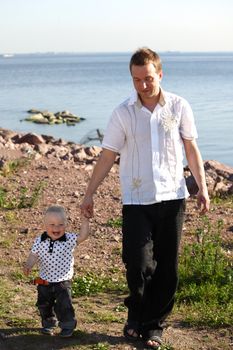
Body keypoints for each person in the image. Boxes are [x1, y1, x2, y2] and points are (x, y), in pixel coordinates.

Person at [80, 48, 210, 349]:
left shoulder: (179, 106)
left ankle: (154, 325)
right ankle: (136, 314)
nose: (142, 86)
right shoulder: (122, 112)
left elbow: (191, 149)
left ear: (160, 74)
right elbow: (107, 155)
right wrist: (89, 193)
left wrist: (202, 188)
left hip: (172, 197)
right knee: (137, 263)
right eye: (136, 80)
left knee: (168, 267)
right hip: (136, 200)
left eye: (148, 79)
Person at [23, 205, 90, 338]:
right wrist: (29, 264)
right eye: (52, 224)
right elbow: (33, 255)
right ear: (45, 225)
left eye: (60, 224)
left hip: (62, 281)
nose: (56, 228)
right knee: (44, 304)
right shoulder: (39, 240)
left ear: (66, 224)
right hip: (44, 280)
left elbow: (83, 236)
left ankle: (67, 326)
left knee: (64, 305)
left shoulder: (69, 239)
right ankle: (49, 324)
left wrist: (85, 221)